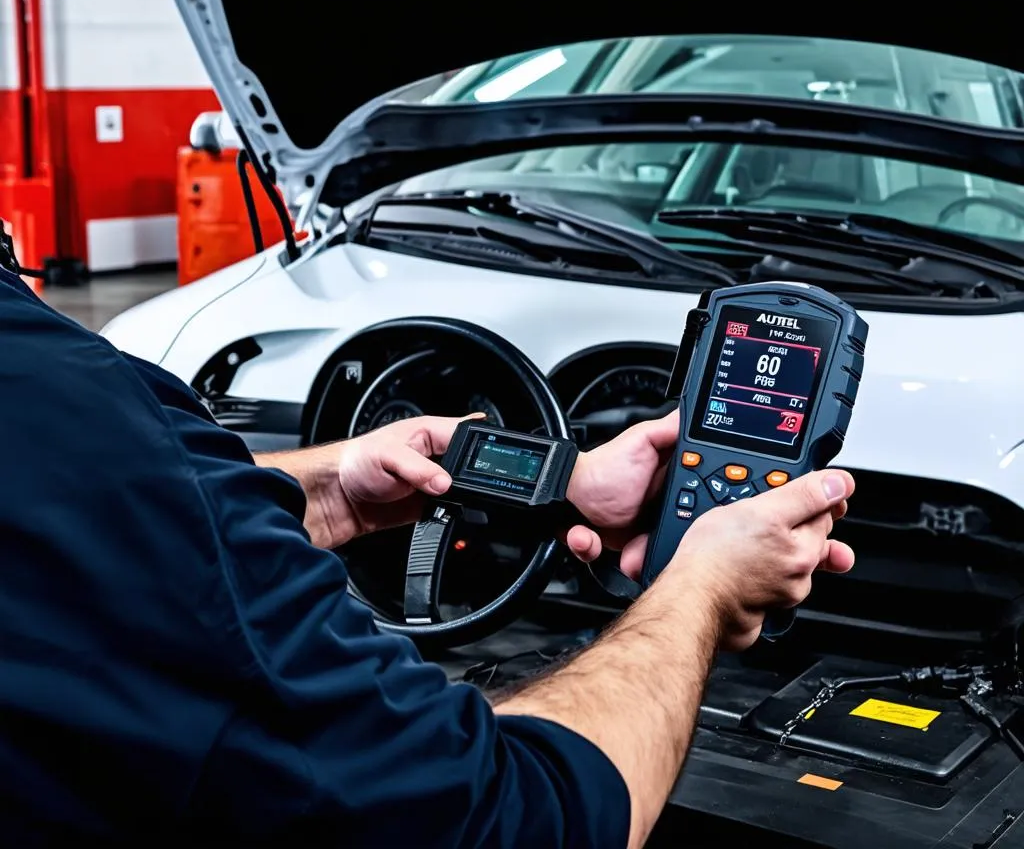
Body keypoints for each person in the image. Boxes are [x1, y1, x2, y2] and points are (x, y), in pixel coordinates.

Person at [0, 261, 854, 848]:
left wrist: (333, 485)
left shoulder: (52, 386)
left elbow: (116, 512)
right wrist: (702, 586)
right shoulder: (63, 385)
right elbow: (510, 820)